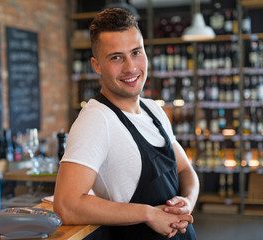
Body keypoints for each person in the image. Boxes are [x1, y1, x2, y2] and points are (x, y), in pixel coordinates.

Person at [53, 8, 199, 240]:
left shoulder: (154, 110)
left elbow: (185, 170)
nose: (130, 67)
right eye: (116, 57)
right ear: (97, 65)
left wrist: (187, 202)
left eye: (136, 52)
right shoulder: (96, 120)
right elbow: (66, 206)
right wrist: (148, 214)